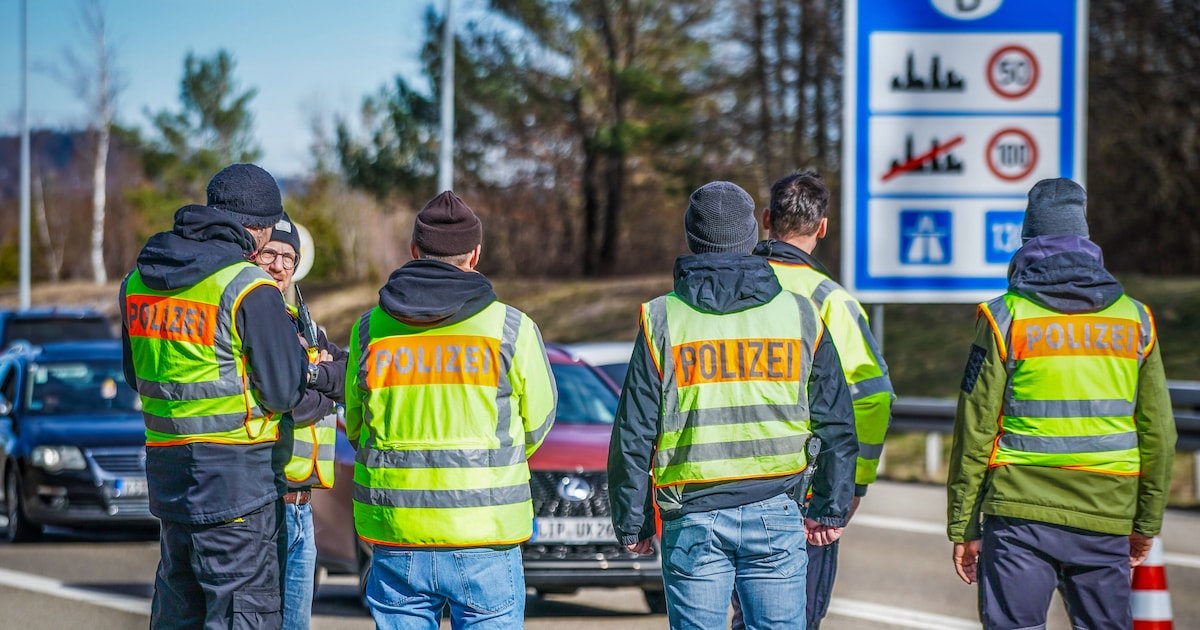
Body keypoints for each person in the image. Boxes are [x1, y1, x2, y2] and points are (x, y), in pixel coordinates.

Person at [607, 181, 857, 629]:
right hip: (777, 509)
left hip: (691, 515)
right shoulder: (802, 314)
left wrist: (633, 519)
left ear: (691, 238)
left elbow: (634, 430)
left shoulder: (663, 317)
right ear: (751, 236)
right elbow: (836, 419)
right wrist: (830, 508)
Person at [946, 178, 1177, 629]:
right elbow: (1160, 433)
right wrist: (1146, 522)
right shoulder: (1135, 319)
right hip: (1106, 511)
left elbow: (975, 429)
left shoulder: (1005, 317)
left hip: (1019, 514)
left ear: (1027, 243)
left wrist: (964, 526)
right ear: (1087, 242)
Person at [344, 190, 558, 629]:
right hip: (486, 535)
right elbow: (537, 423)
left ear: (414, 251)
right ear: (475, 254)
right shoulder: (511, 327)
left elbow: (355, 425)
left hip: (395, 532)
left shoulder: (369, 330)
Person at [120, 163, 308, 630]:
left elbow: (135, 377)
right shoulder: (247, 286)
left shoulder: (137, 282)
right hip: (237, 484)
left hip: (169, 481)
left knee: (179, 612)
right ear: (260, 229)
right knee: (243, 615)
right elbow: (284, 391)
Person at [730, 169, 894, 629]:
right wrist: (853, 485)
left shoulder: (726, 290)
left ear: (766, 219)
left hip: (721, 484)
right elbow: (872, 397)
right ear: (822, 228)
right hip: (802, 493)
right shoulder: (831, 301)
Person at [255, 212, 347, 630]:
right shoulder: (250, 324)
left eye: (288, 257)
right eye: (269, 254)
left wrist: (317, 381)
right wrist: (319, 388)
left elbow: (348, 379)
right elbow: (288, 402)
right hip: (265, 506)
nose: (279, 266)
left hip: (302, 511)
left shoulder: (307, 328)